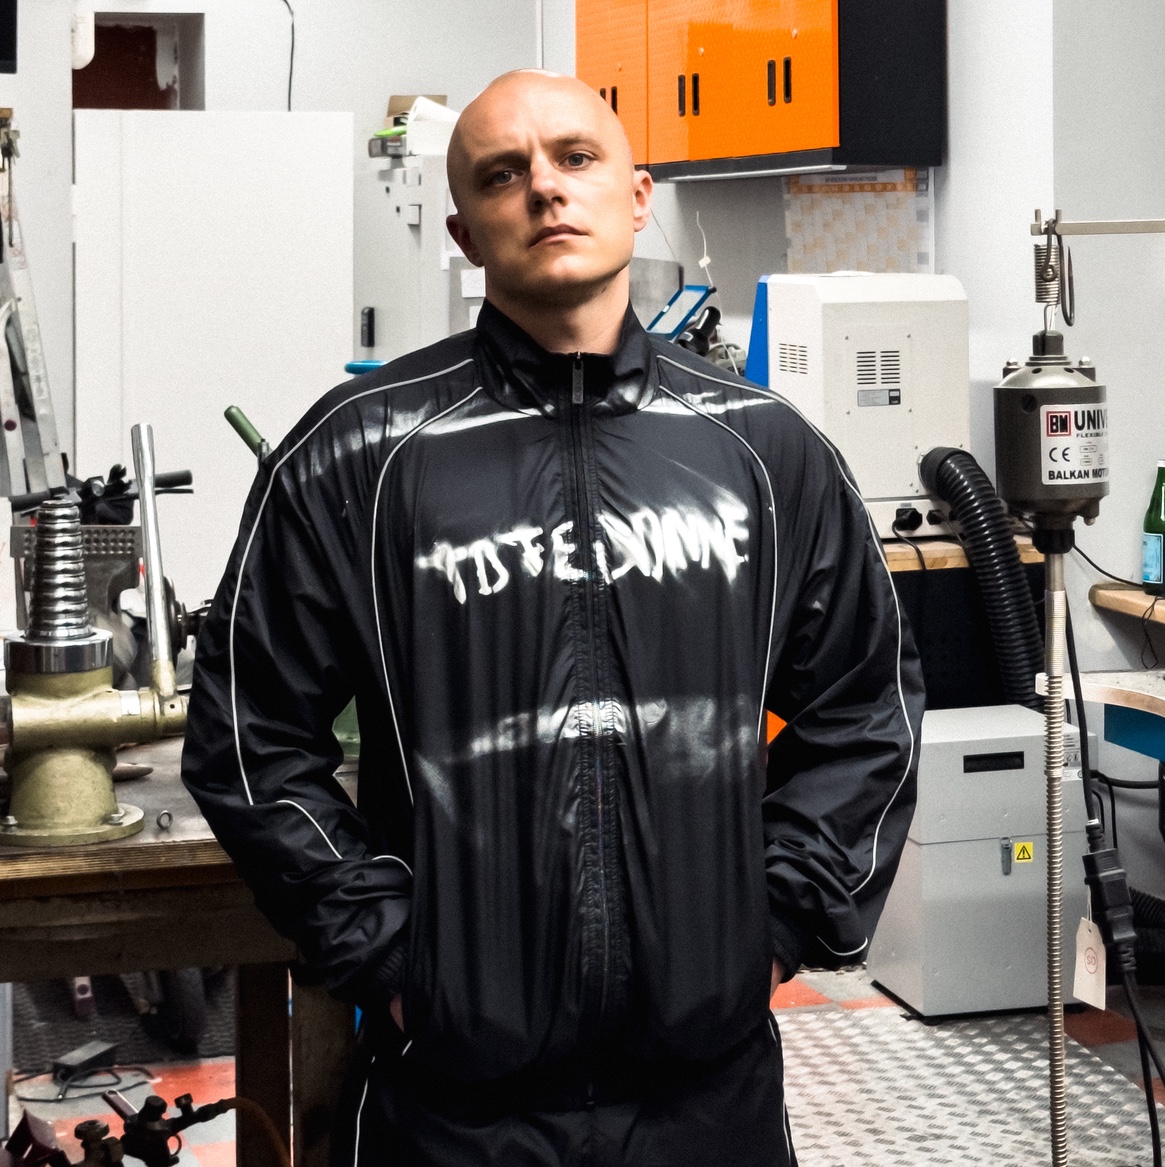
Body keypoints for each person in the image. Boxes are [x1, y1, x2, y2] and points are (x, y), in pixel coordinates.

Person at [182, 69, 924, 1166]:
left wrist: (769, 931)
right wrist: (392, 957)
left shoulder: (765, 453)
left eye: (575, 157)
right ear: (463, 233)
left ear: (637, 193)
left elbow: (867, 711)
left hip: (707, 1099)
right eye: (501, 173)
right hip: (453, 1108)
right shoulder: (355, 455)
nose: (543, 188)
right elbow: (248, 739)